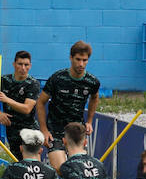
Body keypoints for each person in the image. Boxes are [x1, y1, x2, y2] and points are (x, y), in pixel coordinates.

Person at [36, 41, 101, 170]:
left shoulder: (92, 82)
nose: (81, 64)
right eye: (78, 59)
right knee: (61, 169)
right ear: (71, 58)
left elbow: (94, 98)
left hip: (77, 131)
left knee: (78, 170)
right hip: (55, 130)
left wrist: (89, 121)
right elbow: (40, 102)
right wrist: (43, 129)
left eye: (85, 60)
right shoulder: (57, 78)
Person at [0, 50, 40, 161]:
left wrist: (7, 100)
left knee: (32, 159)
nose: (23, 68)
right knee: (17, 160)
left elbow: (27, 109)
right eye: (20, 64)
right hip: (11, 128)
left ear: (30, 66)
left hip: (29, 127)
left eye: (26, 65)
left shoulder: (33, 84)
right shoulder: (3, 80)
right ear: (14, 64)